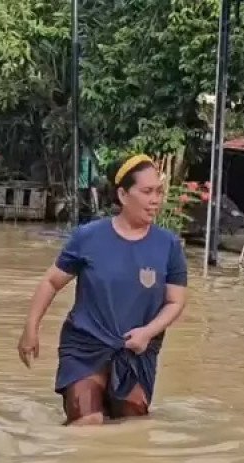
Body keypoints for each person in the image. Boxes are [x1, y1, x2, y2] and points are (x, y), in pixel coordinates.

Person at [16, 154, 188, 426]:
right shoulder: (88, 237)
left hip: (136, 352)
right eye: (147, 192)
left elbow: (175, 301)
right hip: (86, 347)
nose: (155, 200)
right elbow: (51, 282)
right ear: (122, 195)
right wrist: (30, 328)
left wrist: (147, 332)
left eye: (158, 192)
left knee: (133, 427)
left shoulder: (168, 245)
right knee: (88, 422)